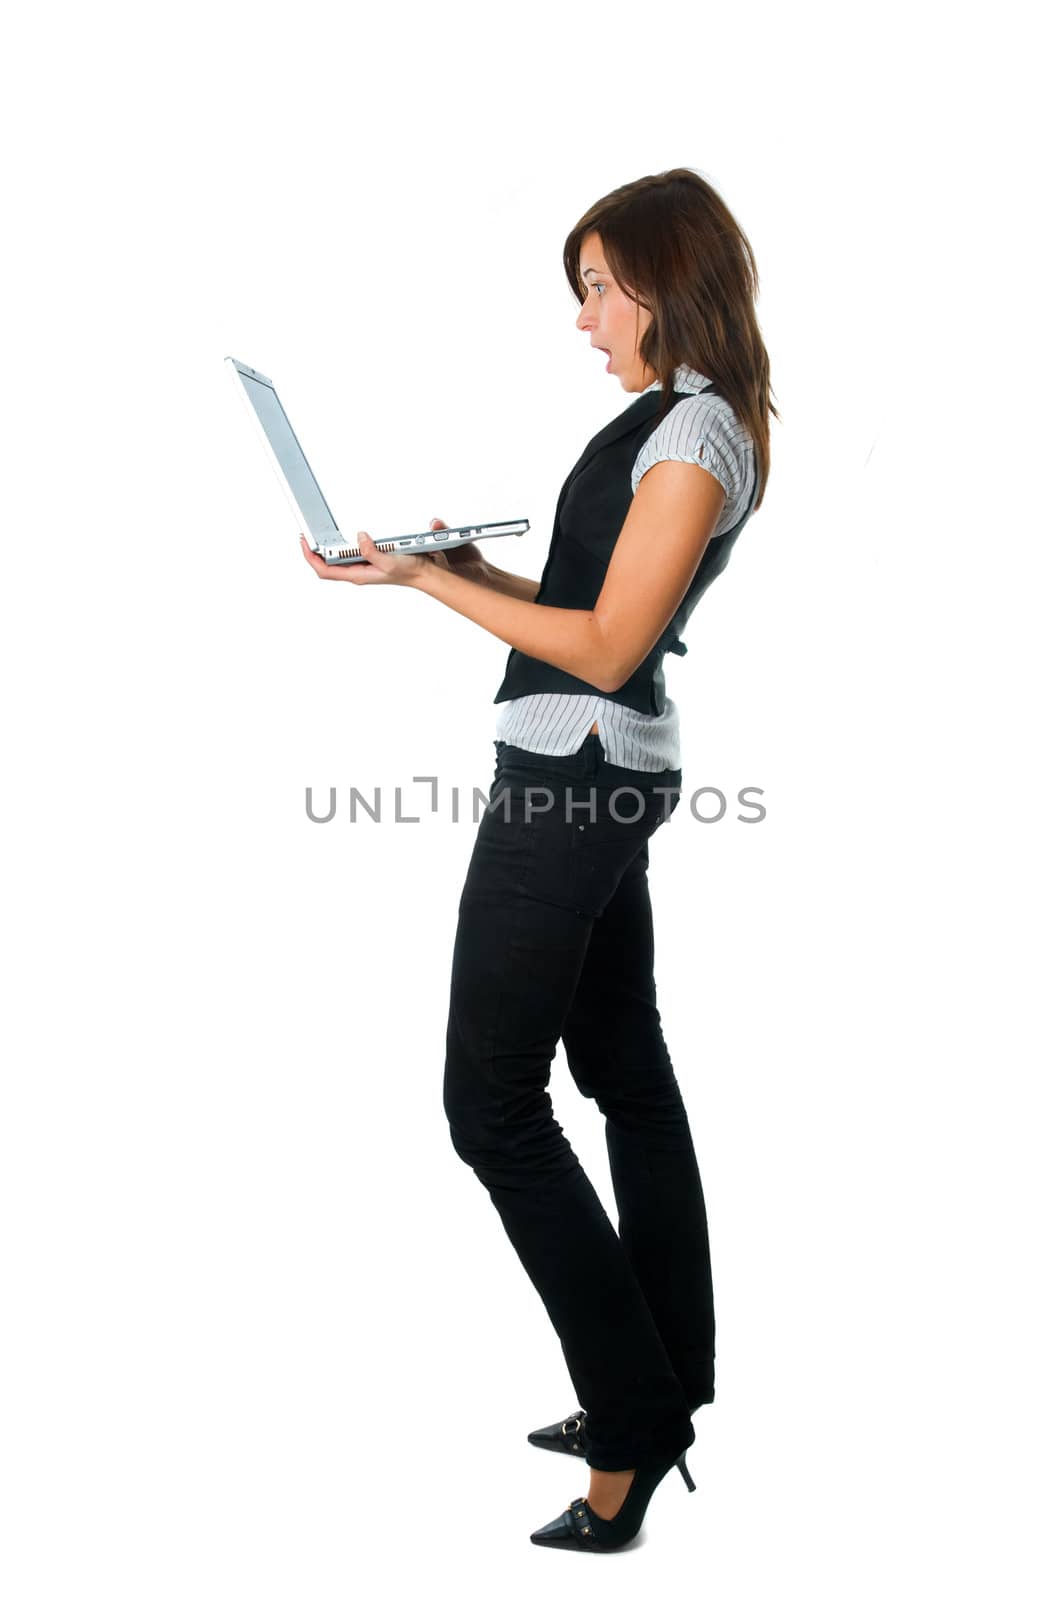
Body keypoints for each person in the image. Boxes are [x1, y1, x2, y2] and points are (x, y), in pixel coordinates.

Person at [300, 166, 777, 1552]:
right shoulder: (673, 421)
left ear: (665, 278)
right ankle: (666, 1380)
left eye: (597, 286)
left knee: (491, 1109)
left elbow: (611, 650)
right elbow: (572, 608)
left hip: (574, 780)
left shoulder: (690, 439)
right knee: (623, 1071)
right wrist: (422, 569)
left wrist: (440, 583)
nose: (583, 316)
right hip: (593, 768)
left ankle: (633, 1423)